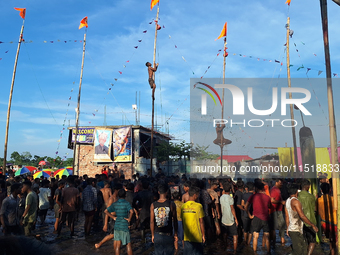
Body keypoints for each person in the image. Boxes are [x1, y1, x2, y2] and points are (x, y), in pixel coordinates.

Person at [285, 184, 318, 255]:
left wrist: (287, 228)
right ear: (297, 191)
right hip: (296, 229)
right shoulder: (296, 202)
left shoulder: (287, 200)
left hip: (293, 228)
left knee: (302, 250)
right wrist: (312, 225)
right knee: (299, 251)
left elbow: (287, 216)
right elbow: (302, 216)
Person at [104, 189, 134, 255]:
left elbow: (106, 211)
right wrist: (129, 219)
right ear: (125, 195)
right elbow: (132, 211)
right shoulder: (126, 203)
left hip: (117, 226)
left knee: (117, 246)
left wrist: (113, 217)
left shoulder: (115, 204)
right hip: (124, 226)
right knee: (128, 245)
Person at [150, 184, 178, 255]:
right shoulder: (171, 204)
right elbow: (175, 220)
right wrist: (176, 234)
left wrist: (152, 235)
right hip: (168, 235)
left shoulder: (153, 205)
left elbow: (152, 222)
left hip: (157, 234)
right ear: (167, 192)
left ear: (158, 192)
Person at [245, 182, 271, 254]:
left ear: (256, 188)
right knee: (267, 237)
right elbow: (269, 206)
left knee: (255, 237)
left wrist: (249, 215)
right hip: (265, 218)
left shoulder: (253, 196)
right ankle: (268, 252)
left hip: (256, 218)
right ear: (263, 188)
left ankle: (255, 252)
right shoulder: (267, 197)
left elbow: (246, 206)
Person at [181, 186, 205, 255]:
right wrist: (203, 235)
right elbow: (201, 222)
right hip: (197, 237)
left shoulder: (183, 206)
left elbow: (183, 221)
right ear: (195, 195)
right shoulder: (199, 206)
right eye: (198, 195)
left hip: (187, 237)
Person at [298, 179, 317, 255]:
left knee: (303, 240)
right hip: (310, 221)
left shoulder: (297, 196)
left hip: (300, 221)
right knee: (312, 241)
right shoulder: (311, 197)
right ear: (308, 187)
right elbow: (314, 209)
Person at [317, 183, 337, 255]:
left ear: (321, 190)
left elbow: (317, 211)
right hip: (335, 223)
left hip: (325, 223)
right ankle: (333, 252)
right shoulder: (334, 199)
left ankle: (332, 252)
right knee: (335, 240)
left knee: (331, 239)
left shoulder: (318, 200)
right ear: (329, 190)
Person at [220, 182, 238, 254]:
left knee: (225, 234)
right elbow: (232, 209)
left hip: (224, 218)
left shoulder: (221, 197)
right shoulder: (230, 198)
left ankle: (224, 246)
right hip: (230, 219)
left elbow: (222, 207)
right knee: (235, 235)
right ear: (230, 190)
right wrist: (236, 218)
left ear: (224, 190)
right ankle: (235, 251)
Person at [270, 178, 286, 245]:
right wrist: (281, 202)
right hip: (275, 211)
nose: (281, 184)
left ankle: (281, 241)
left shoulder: (277, 189)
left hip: (278, 210)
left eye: (282, 183)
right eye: (280, 183)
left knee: (281, 226)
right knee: (275, 227)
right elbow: (272, 200)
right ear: (276, 182)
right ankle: (275, 242)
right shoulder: (274, 190)